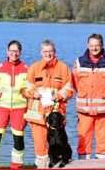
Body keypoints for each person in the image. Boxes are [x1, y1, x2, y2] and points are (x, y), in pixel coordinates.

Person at [24, 39, 74, 168]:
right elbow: (25, 88)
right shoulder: (34, 68)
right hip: (38, 115)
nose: (48, 54)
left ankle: (59, 164)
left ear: (55, 52)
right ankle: (42, 166)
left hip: (56, 117)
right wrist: (33, 93)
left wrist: (58, 95)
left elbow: (69, 89)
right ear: (41, 52)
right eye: (45, 51)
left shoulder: (63, 68)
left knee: (59, 145)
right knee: (40, 146)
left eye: (50, 51)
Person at [72, 33, 105, 159]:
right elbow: (75, 83)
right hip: (84, 109)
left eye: (97, 45)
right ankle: (83, 165)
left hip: (104, 110)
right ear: (88, 45)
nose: (94, 48)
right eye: (92, 45)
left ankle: (102, 165)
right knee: (83, 139)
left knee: (104, 140)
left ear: (102, 45)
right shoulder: (79, 62)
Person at [0, 40, 28, 169]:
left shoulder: (27, 69)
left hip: (20, 109)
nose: (14, 53)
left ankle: (16, 166)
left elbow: (30, 89)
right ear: (7, 51)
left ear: (20, 52)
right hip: (2, 109)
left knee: (18, 140)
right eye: (11, 50)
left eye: (16, 51)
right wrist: (1, 95)